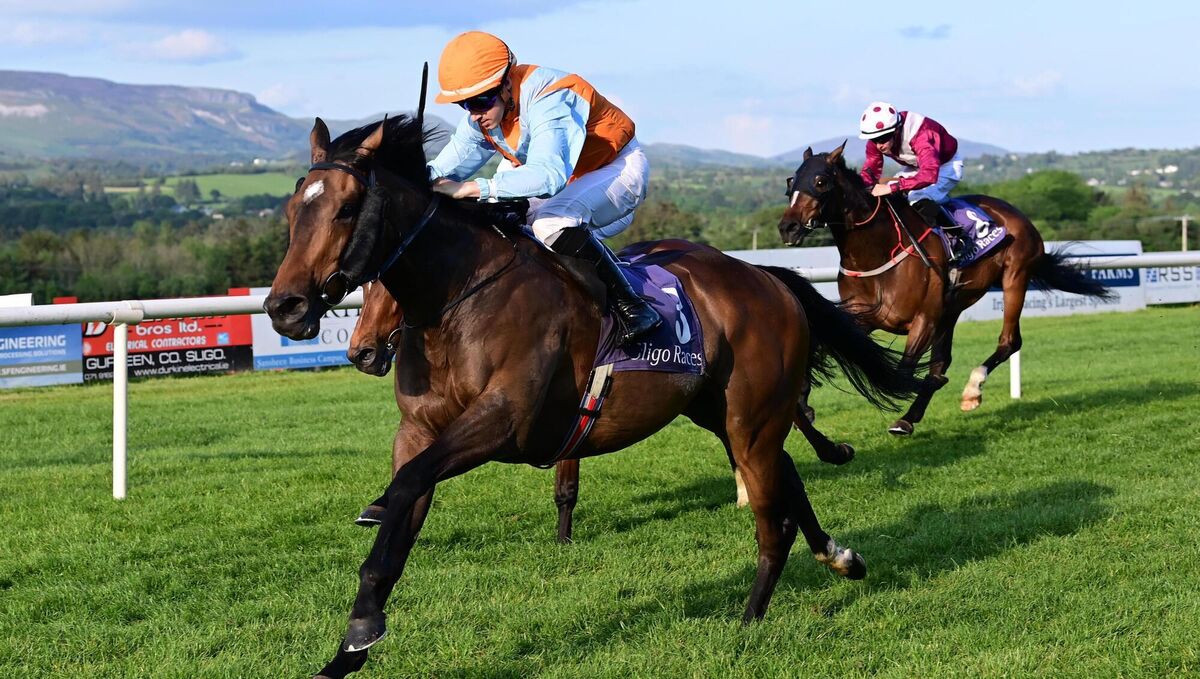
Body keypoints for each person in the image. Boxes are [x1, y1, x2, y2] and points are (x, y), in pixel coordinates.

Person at [426, 31, 660, 345]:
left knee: (551, 223)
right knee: (499, 222)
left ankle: (632, 307)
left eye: (482, 99)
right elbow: (439, 170)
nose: (475, 112)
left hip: (616, 168)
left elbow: (549, 176)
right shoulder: (482, 117)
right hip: (569, 183)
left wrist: (471, 188)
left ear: (508, 81)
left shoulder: (551, 96)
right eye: (463, 104)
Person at [857, 101, 967, 261]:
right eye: (874, 139)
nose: (879, 145)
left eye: (884, 138)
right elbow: (870, 170)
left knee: (917, 197)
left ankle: (959, 237)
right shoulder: (877, 140)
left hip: (945, 166)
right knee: (888, 195)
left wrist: (894, 187)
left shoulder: (921, 135)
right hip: (916, 165)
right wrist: (860, 190)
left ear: (896, 131)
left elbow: (929, 175)